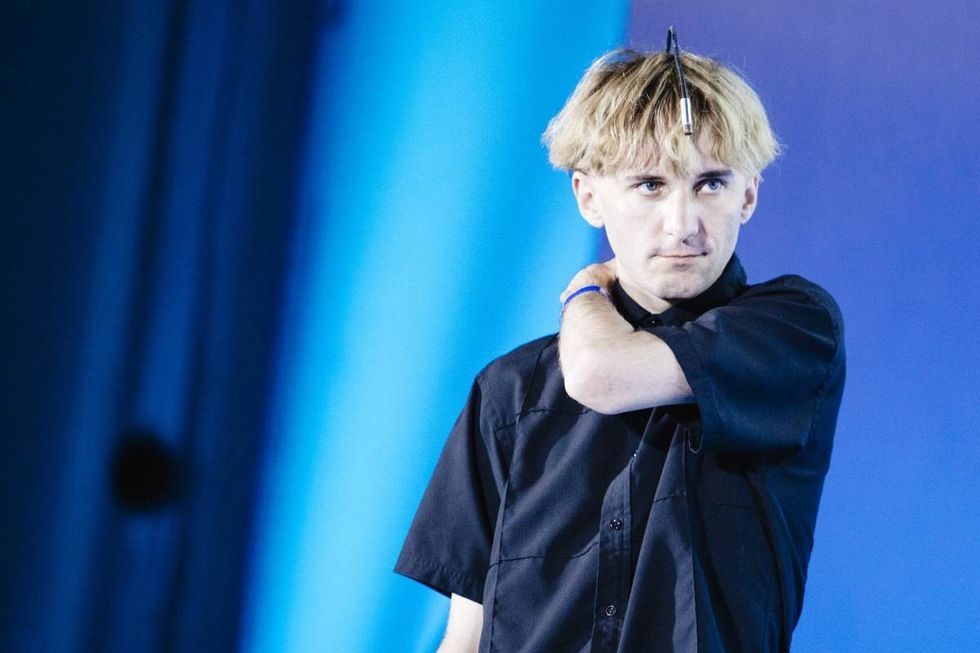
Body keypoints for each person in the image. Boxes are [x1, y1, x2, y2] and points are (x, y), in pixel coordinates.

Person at [395, 42, 846, 653]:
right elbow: (468, 628)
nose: (683, 223)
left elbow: (600, 372)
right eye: (650, 184)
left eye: (711, 183)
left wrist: (586, 286)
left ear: (749, 196)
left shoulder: (793, 328)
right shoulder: (509, 389)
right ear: (588, 197)